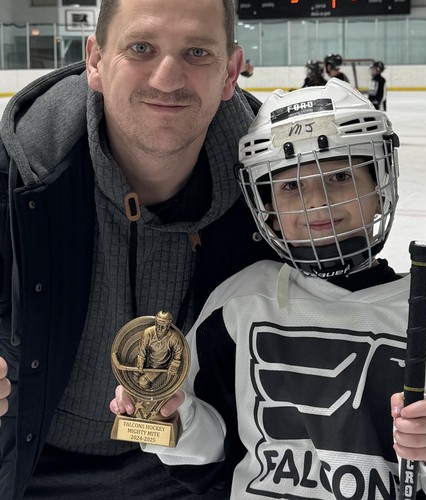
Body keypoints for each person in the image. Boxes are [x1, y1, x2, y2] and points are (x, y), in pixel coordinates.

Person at [112, 78, 426, 499]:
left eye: (340, 176)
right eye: (291, 185)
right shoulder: (239, 304)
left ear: (379, 187)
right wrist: (172, 418)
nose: (317, 202)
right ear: (267, 207)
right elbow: (213, 455)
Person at [0, 0, 278, 498]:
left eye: (197, 52)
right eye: (141, 48)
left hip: (189, 474)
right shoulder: (15, 175)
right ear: (95, 60)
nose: (167, 79)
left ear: (231, 71)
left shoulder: (275, 193)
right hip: (25, 464)